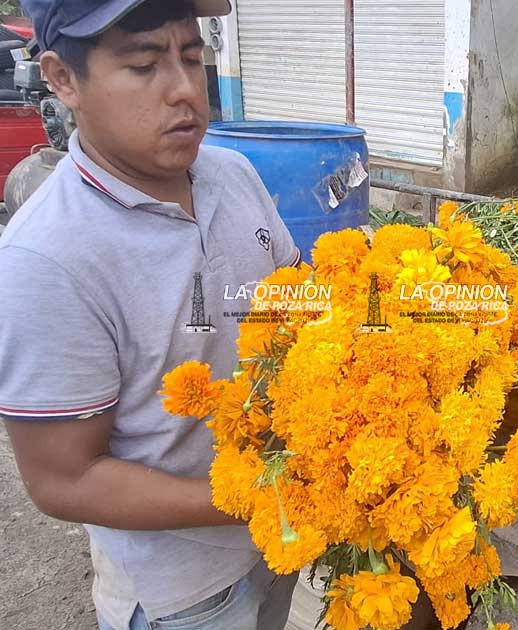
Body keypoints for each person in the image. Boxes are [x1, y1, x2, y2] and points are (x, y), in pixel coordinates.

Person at [0, 1, 302, 629]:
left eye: (192, 57)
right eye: (144, 65)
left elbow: (295, 302)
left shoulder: (234, 172)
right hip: (182, 594)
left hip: (280, 543)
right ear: (63, 79)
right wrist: (260, 495)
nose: (185, 90)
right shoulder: (46, 259)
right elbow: (64, 479)